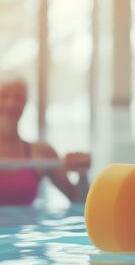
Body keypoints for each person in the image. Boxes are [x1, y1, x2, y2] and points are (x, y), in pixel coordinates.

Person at [0, 71, 91, 206]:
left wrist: (82, 174)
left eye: (18, 97)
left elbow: (81, 204)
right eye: (3, 96)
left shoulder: (42, 153)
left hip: (29, 227)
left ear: (25, 102)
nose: (11, 103)